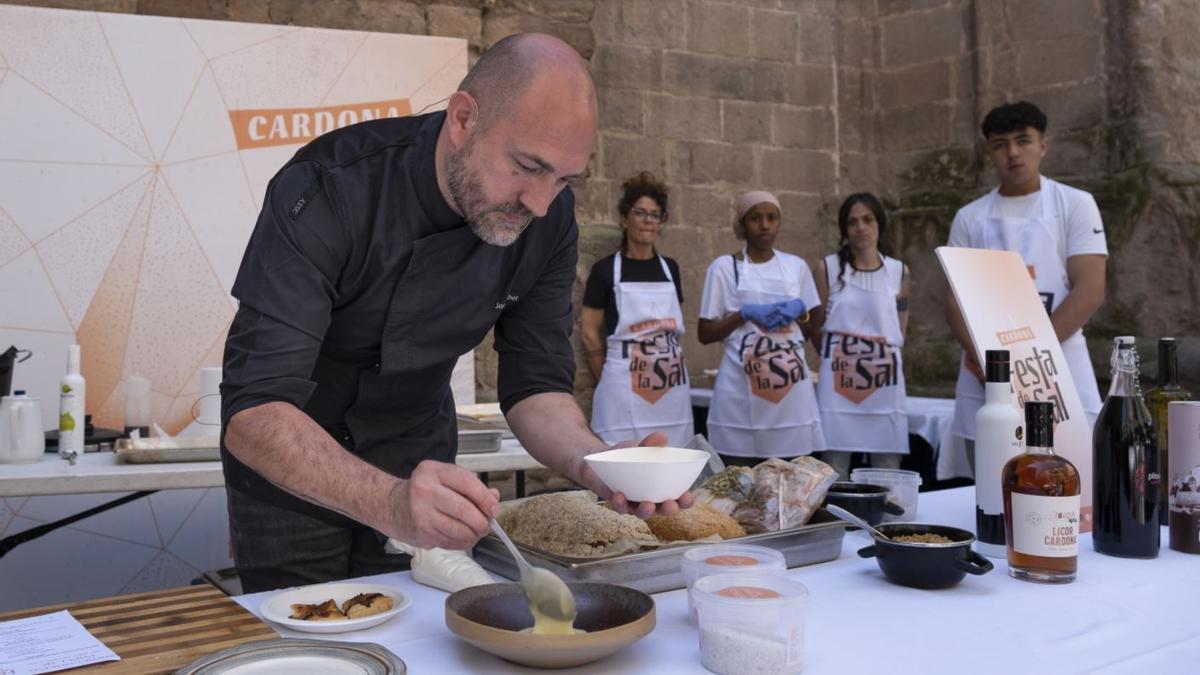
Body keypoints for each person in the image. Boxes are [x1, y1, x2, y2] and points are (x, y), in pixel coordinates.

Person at [219, 34, 690, 593]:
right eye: (527, 165)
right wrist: (389, 501)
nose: (540, 203)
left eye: (563, 179)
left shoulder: (550, 221)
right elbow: (254, 409)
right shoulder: (329, 188)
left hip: (422, 466)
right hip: (294, 475)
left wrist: (600, 465)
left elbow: (536, 385)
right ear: (463, 119)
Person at [945, 101, 1108, 470]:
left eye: (1023, 141)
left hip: (1058, 357)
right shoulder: (970, 217)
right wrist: (996, 364)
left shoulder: (1075, 204)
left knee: (1072, 472)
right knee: (988, 475)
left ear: (1043, 146)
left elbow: (1090, 288)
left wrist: (1032, 355)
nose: (1013, 152)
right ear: (990, 152)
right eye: (1001, 144)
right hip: (986, 368)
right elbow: (954, 301)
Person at [698, 191, 825, 465]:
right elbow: (705, 333)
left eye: (772, 218)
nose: (765, 225)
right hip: (739, 392)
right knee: (739, 478)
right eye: (756, 218)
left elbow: (812, 322)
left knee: (792, 479)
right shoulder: (723, 268)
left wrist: (796, 315)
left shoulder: (796, 267)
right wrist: (743, 315)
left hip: (791, 393)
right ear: (742, 224)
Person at [581, 172, 693, 447]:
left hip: (671, 388)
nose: (647, 220)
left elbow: (672, 329)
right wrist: (610, 376)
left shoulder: (671, 269)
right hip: (623, 385)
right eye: (640, 212)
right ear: (623, 218)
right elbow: (588, 331)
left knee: (672, 461)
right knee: (621, 464)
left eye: (655, 215)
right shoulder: (605, 270)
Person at [812, 193, 910, 479]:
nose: (860, 228)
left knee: (888, 469)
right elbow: (815, 328)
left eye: (867, 219)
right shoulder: (827, 268)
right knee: (835, 469)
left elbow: (900, 330)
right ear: (844, 229)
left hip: (885, 387)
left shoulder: (898, 271)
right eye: (852, 222)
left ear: (879, 223)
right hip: (839, 387)